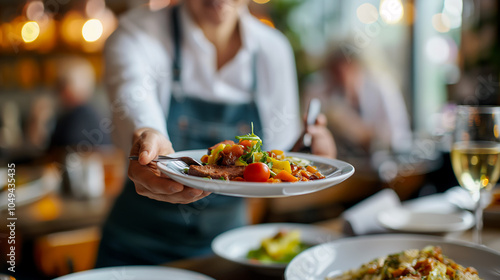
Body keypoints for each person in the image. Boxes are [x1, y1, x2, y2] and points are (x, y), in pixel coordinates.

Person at [95, 0, 336, 267]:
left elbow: (279, 158)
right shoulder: (136, 33)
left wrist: (309, 153)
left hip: (225, 251)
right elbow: (132, 95)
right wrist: (147, 134)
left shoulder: (273, 49)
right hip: (133, 249)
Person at [305, 48, 412, 158]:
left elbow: (398, 136)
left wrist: (360, 132)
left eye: (349, 67)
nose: (343, 75)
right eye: (336, 71)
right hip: (341, 161)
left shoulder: (382, 87)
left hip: (377, 163)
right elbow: (307, 133)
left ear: (359, 65)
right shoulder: (319, 88)